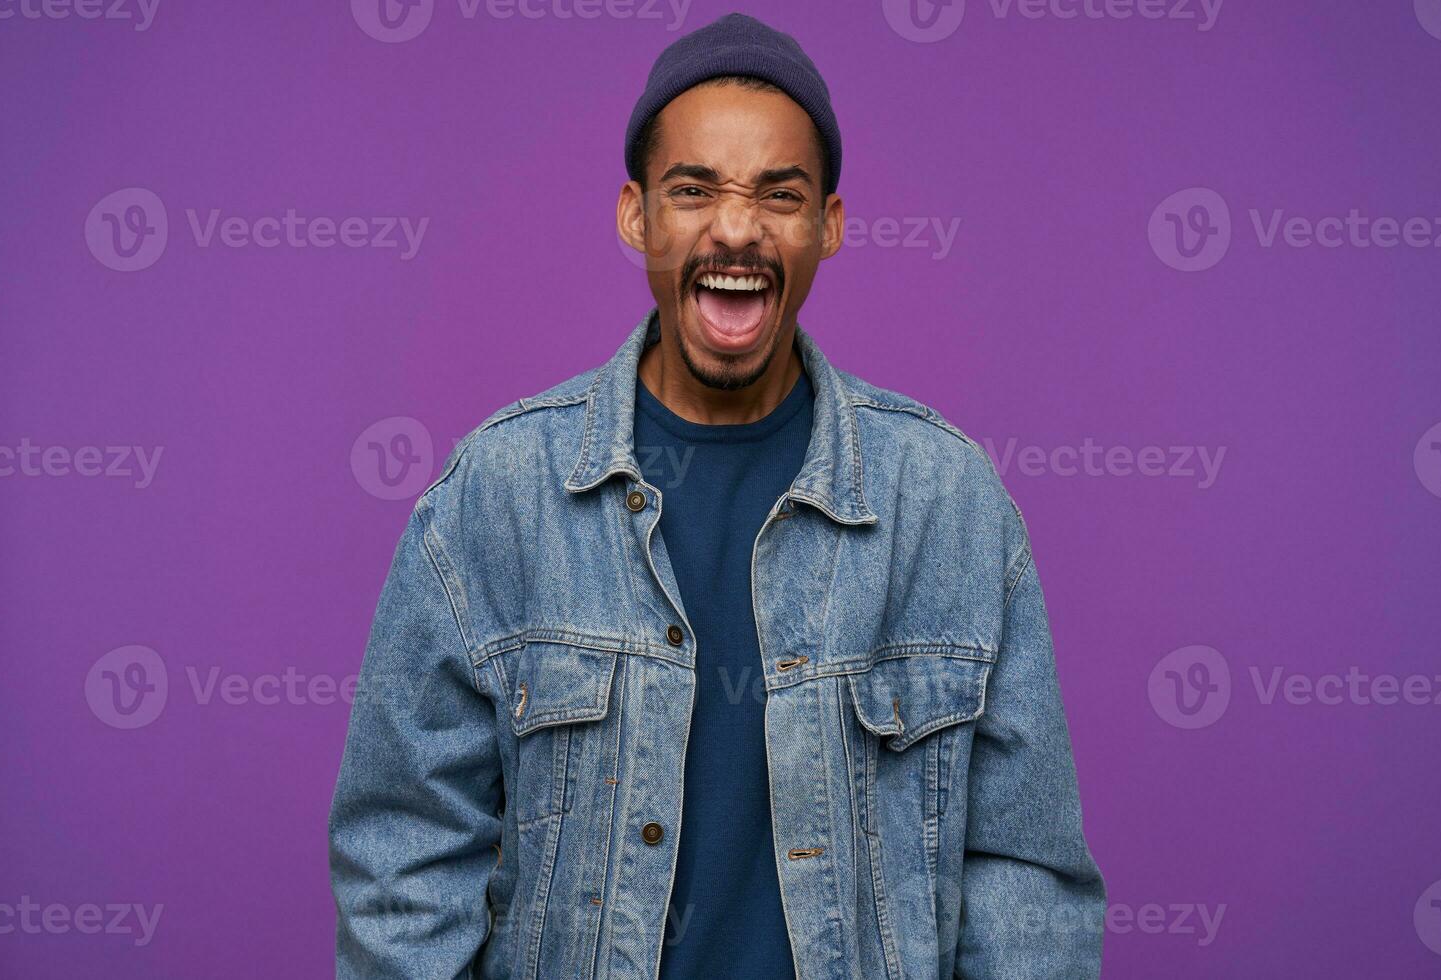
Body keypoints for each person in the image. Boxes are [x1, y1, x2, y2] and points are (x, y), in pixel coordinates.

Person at [329, 12, 1105, 979]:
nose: (735, 228)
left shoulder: (946, 504)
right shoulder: (496, 496)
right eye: (693, 190)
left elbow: (1025, 883)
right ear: (636, 215)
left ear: (828, 224)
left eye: (778, 195)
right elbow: (404, 860)